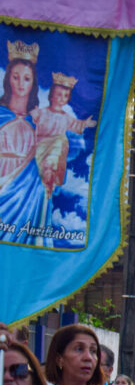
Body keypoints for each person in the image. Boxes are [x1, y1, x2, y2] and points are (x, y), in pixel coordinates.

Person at [0, 39, 49, 246]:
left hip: (30, 192)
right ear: (8, 79)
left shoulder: (38, 120)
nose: (21, 84)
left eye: (26, 78)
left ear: (33, 83)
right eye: (16, 77)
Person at [29, 71, 96, 198]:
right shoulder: (42, 112)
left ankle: (49, 180)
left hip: (56, 149)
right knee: (37, 171)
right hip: (40, 147)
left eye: (65, 96)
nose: (61, 98)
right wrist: (33, 114)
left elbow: (76, 125)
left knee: (59, 143)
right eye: (59, 94)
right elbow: (29, 122)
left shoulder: (66, 118)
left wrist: (85, 123)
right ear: (51, 95)